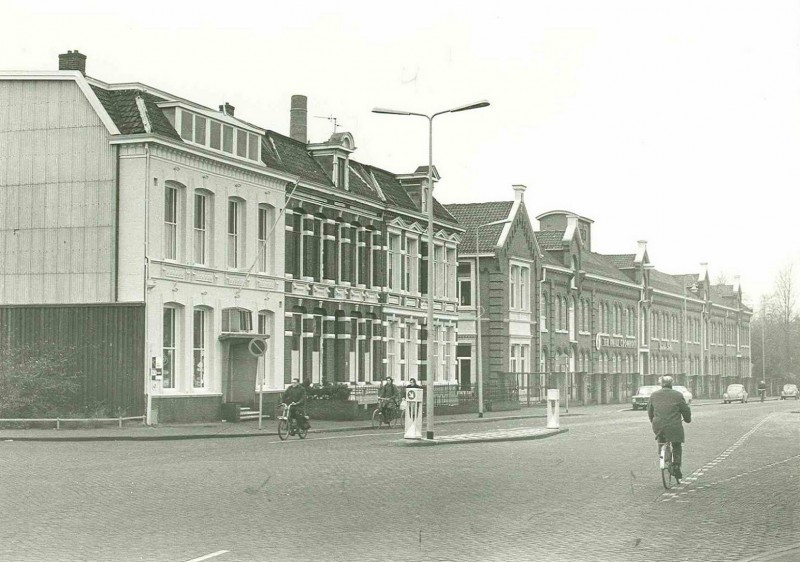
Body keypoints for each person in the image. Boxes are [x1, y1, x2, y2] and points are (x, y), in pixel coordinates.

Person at [647, 375, 691, 482]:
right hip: (674, 425)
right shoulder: (678, 395)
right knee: (676, 445)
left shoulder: (654, 395)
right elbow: (685, 410)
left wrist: (653, 421)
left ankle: (665, 458)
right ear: (672, 383)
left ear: (661, 384)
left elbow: (650, 412)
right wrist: (687, 419)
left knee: (661, 442)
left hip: (659, 425)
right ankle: (676, 465)